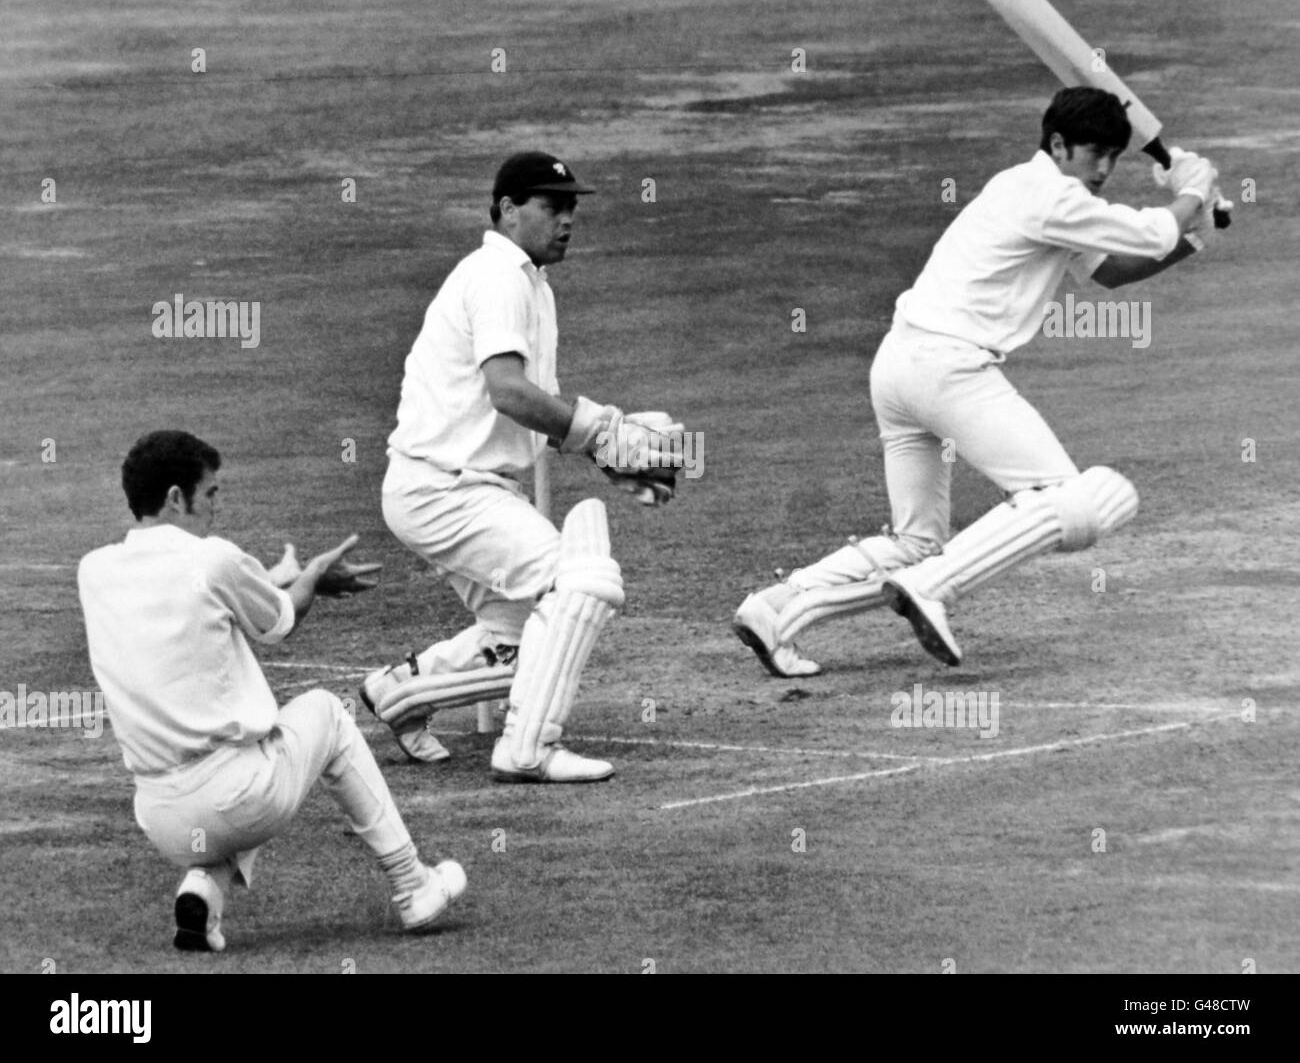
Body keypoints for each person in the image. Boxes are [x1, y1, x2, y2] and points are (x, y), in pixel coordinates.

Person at [734, 87, 1223, 674]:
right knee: (1072, 501)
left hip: (899, 367)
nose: (1105, 168)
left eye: (1115, 156)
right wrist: (1192, 187)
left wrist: (1194, 231)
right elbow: (1148, 234)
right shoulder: (1047, 195)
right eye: (1095, 152)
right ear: (1059, 144)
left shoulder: (1037, 193)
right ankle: (933, 588)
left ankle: (777, 607)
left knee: (917, 544)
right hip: (948, 369)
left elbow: (1114, 270)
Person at [77, 430, 466, 952]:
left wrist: (268, 578)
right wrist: (310, 576)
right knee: (326, 713)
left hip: (159, 817)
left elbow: (190, 602)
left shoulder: (94, 571)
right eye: (210, 493)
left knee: (237, 791)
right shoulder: (212, 559)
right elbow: (282, 620)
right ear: (175, 497)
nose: (216, 506)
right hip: (236, 796)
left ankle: (202, 891)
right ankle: (413, 884)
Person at [363, 151, 682, 782]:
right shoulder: (499, 274)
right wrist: (598, 436)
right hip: (445, 488)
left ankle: (401, 692)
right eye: (551, 206)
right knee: (581, 583)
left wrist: (606, 456)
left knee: (523, 637)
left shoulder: (530, 282)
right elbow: (506, 390)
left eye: (571, 208)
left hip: (459, 487)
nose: (567, 219)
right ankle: (528, 748)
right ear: (508, 211)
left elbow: (529, 413)